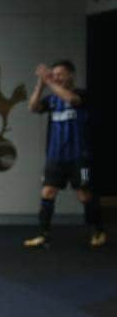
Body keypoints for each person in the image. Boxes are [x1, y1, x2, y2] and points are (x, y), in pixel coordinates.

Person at [23, 60, 105, 249]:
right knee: (48, 192)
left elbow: (72, 100)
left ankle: (98, 231)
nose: (57, 77)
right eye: (54, 74)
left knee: (84, 195)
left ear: (71, 75)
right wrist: (41, 84)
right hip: (55, 156)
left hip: (78, 155)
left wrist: (49, 81)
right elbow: (33, 107)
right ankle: (44, 235)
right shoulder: (52, 100)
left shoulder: (81, 94)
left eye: (60, 74)